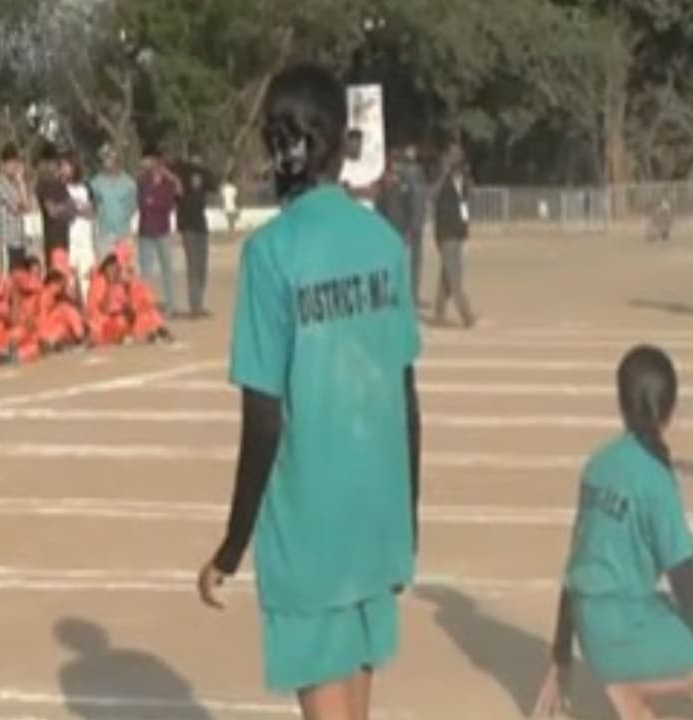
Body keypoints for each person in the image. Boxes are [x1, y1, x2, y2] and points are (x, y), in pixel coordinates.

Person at [195, 63, 422, 720]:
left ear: (276, 148)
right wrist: (405, 520)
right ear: (340, 143)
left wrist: (231, 549)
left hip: (311, 528)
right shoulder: (383, 242)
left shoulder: (270, 254)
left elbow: (263, 420)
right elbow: (407, 399)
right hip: (377, 516)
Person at [532, 345, 693, 720]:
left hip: (597, 618)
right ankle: (629, 688)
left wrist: (561, 655)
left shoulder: (599, 462)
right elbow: (686, 589)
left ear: (621, 402)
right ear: (670, 411)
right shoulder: (656, 479)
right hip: (621, 631)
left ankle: (630, 678)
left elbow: (575, 562)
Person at [432, 152, 476, 328]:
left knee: (447, 276)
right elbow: (432, 195)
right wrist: (444, 174)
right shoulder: (443, 183)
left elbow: (468, 201)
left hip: (457, 234)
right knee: (455, 277)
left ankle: (438, 314)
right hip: (446, 234)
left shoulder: (462, 185)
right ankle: (467, 315)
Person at [136, 145, 181, 316]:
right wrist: (154, 202)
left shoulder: (168, 183)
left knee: (167, 270)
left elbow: (168, 205)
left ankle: (170, 305)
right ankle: (145, 305)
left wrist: (153, 201)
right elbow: (143, 205)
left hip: (162, 230)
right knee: (146, 272)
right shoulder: (142, 181)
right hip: (146, 231)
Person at [176, 152, 216, 319]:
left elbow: (214, 184)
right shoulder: (181, 172)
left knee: (201, 267)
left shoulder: (202, 174)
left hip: (200, 224)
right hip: (188, 225)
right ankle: (195, 307)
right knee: (194, 266)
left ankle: (198, 304)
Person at [89, 145, 139, 261]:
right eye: (104, 159)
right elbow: (93, 205)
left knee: (125, 269)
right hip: (104, 234)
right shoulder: (95, 183)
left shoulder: (129, 183)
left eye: (110, 158)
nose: (107, 162)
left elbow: (134, 206)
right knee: (106, 269)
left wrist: (123, 219)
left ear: (116, 160)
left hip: (124, 233)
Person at [0, 143, 32, 273]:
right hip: (7, 242)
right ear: (2, 165)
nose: (14, 167)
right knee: (8, 279)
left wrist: (21, 182)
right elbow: (17, 207)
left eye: (16, 163)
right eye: (10, 163)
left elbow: (27, 207)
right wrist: (20, 185)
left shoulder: (16, 183)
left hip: (20, 240)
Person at [36, 145, 74, 273]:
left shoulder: (60, 185)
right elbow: (51, 211)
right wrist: (64, 208)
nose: (50, 166)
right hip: (52, 239)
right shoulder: (42, 185)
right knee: (54, 276)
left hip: (64, 238)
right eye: (47, 163)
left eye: (53, 163)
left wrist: (62, 208)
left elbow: (72, 210)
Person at [64, 153, 96, 301]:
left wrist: (78, 209)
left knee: (86, 279)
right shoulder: (62, 188)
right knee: (68, 280)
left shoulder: (86, 187)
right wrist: (79, 209)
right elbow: (66, 213)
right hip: (69, 239)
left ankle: (88, 313)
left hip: (85, 239)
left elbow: (91, 213)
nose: (64, 169)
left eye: (66, 166)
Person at [398, 143, 427, 302]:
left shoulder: (418, 172)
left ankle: (413, 294)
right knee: (406, 260)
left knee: (416, 261)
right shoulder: (402, 174)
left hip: (416, 222)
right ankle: (406, 294)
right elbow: (403, 201)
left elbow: (420, 199)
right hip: (408, 224)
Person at [339, 129, 373, 206]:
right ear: (347, 145)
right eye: (354, 144)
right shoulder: (340, 166)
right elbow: (339, 192)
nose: (357, 148)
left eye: (359, 144)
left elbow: (372, 192)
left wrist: (352, 191)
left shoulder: (367, 166)